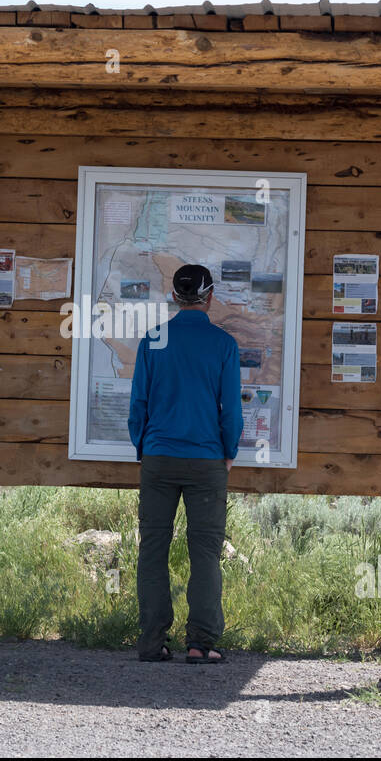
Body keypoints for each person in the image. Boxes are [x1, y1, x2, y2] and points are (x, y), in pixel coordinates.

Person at [127, 264, 242, 664]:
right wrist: (230, 452)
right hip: (207, 460)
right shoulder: (223, 344)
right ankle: (200, 644)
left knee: (153, 550)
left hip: (158, 458)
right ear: (210, 297)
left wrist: (143, 447)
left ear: (174, 296)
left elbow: (138, 404)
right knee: (205, 552)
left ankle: (151, 642)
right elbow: (230, 412)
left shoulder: (153, 339)